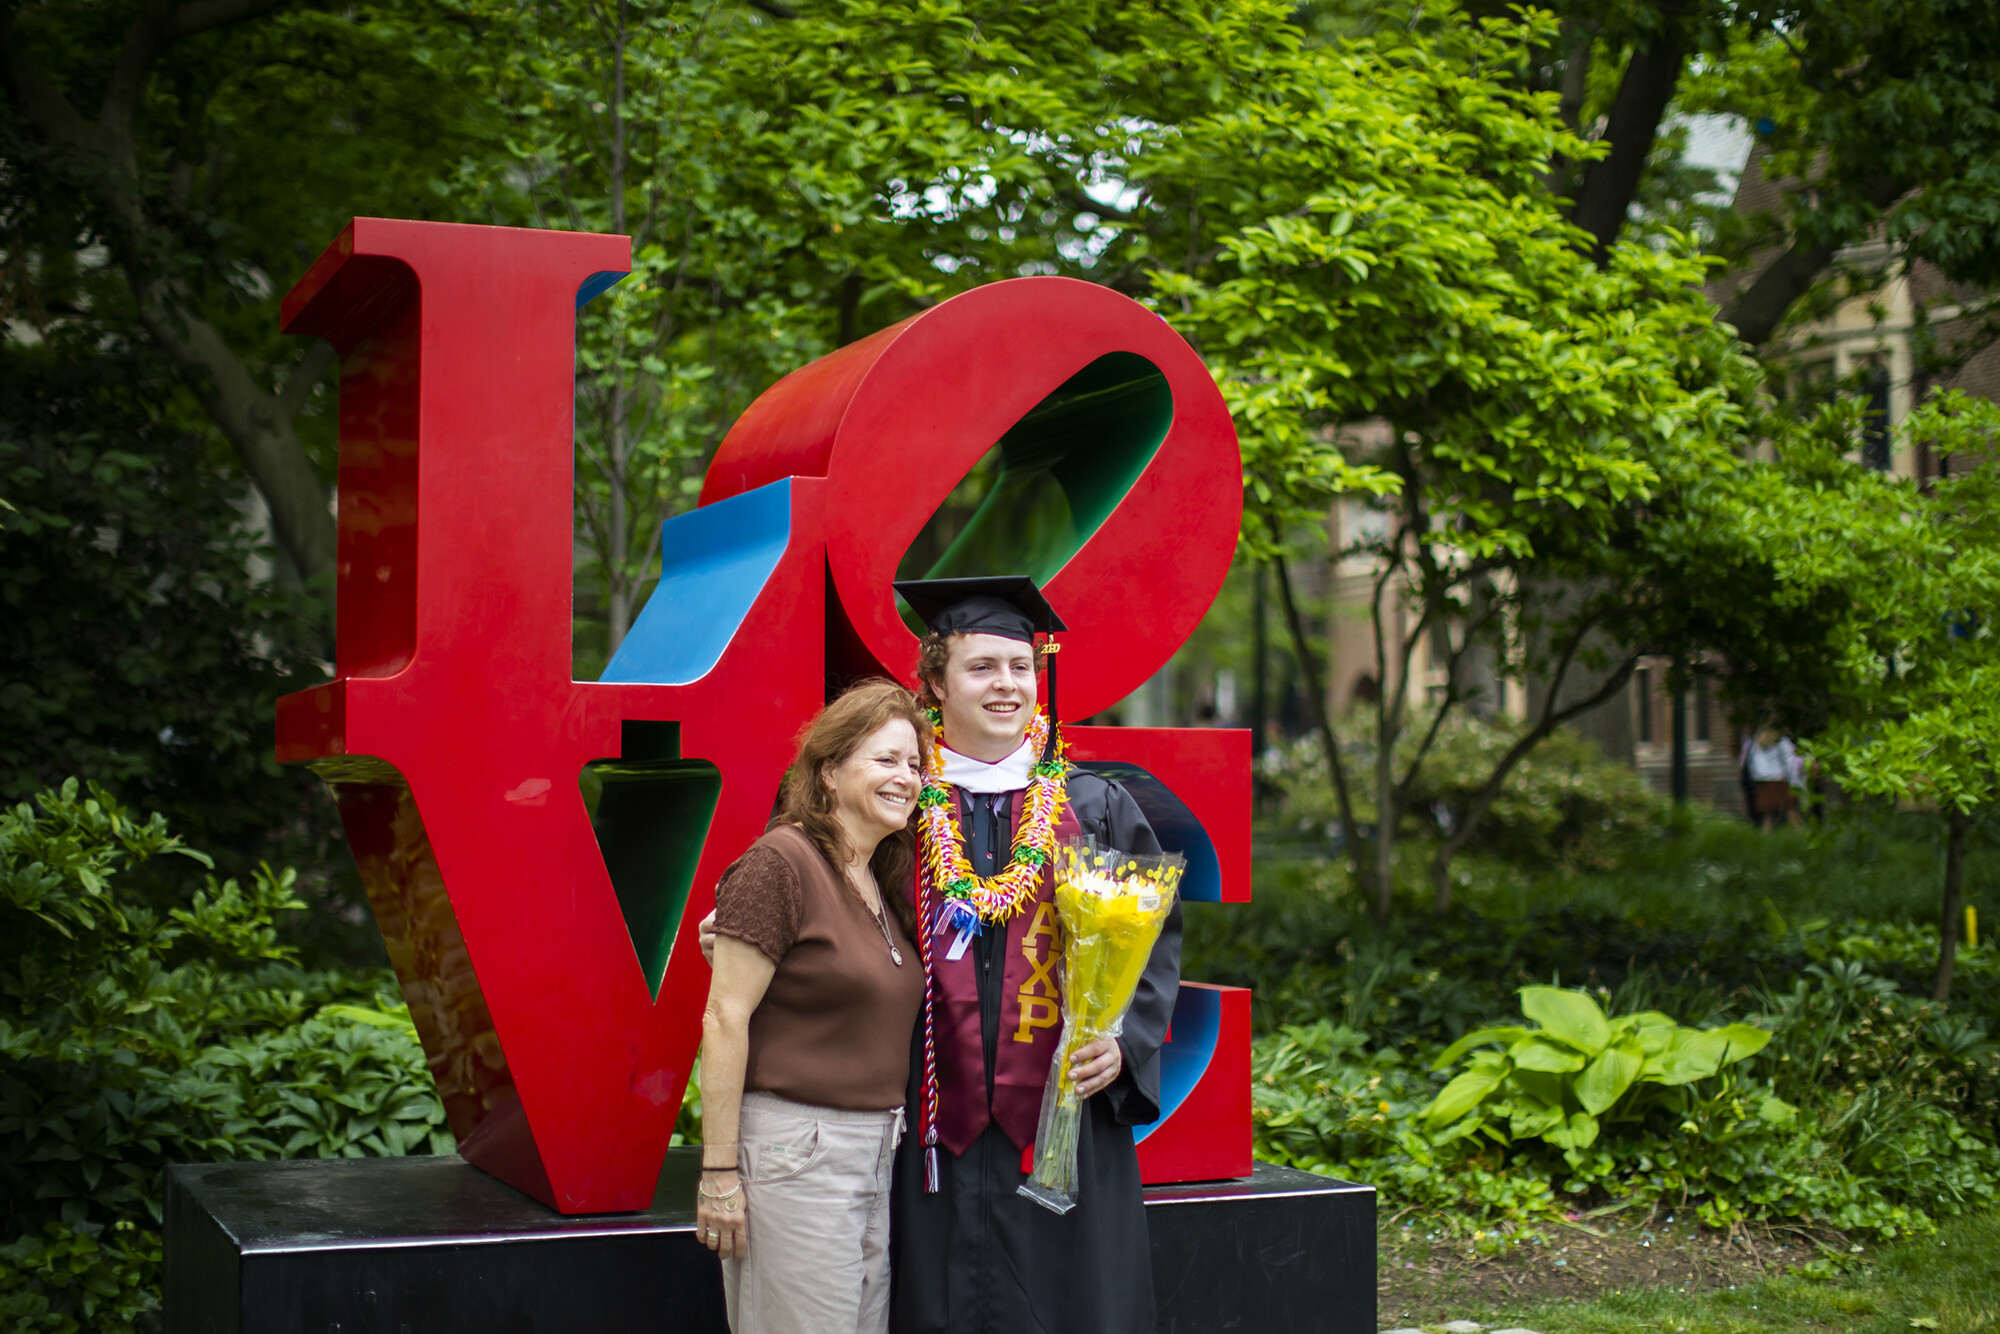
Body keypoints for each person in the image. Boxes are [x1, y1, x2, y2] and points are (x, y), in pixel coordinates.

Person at [888, 575, 1179, 1334]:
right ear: (935, 681)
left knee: (1069, 1299)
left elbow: (1150, 945)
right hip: (929, 1114)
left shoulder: (1091, 805)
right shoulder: (896, 803)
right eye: (982, 667)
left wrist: (1123, 1042)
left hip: (1060, 1111)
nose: (1007, 685)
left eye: (1020, 667)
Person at [696, 680, 931, 1334]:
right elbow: (723, 1020)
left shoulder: (879, 878)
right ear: (829, 772)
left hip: (875, 1153)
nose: (905, 778)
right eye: (885, 760)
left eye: (914, 765)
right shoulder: (783, 861)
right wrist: (719, 1174)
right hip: (796, 1155)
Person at [1741, 725, 1803, 830]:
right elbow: (1790, 762)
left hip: (1764, 782)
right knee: (1791, 809)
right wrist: (1795, 781)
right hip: (1781, 780)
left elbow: (1751, 763)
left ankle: (1766, 838)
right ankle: (1800, 834)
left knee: (1768, 814)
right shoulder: (1781, 742)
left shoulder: (1754, 743)